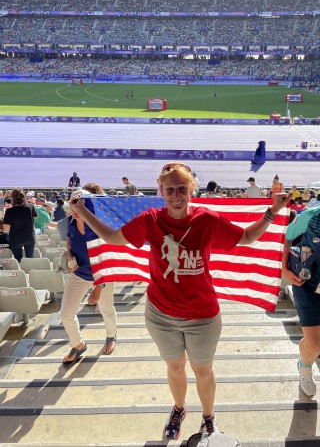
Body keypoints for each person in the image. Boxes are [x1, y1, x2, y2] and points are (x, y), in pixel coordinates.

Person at [71, 162, 291, 439]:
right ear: (161, 191)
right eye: (171, 189)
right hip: (161, 315)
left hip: (203, 316)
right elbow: (113, 237)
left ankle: (209, 418)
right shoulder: (150, 220)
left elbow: (246, 238)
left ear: (191, 190)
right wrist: (81, 211)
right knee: (174, 366)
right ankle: (179, 408)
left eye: (182, 189)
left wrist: (273, 211)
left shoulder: (207, 220)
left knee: (202, 369)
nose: (176, 195)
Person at [60, 187, 117, 366]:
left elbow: (109, 257)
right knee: (66, 314)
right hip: (79, 273)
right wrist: (69, 256)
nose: (76, 211)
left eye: (80, 206)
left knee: (106, 308)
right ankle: (78, 344)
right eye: (73, 206)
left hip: (102, 273)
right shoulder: (71, 221)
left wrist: (98, 287)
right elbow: (69, 238)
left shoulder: (101, 225)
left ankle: (111, 335)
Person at [282, 207, 320, 397]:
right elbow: (287, 236)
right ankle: (304, 365)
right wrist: (284, 269)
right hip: (306, 283)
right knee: (314, 344)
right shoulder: (311, 215)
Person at [2, 187, 38, 262]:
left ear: (12, 198)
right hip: (29, 237)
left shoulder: (9, 211)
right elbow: (35, 217)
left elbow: (6, 228)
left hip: (15, 238)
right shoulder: (30, 207)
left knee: (18, 260)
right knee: (30, 259)